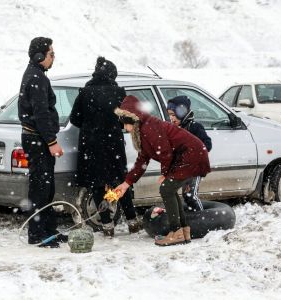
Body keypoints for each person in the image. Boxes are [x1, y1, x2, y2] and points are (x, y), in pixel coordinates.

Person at [114, 95, 211, 246]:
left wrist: (164, 173)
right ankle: (184, 231)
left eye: (125, 124)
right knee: (169, 190)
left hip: (191, 155)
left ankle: (176, 232)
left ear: (133, 118)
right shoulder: (143, 129)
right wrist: (126, 183)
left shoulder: (149, 127)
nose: (125, 128)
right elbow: (142, 161)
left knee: (166, 189)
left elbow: (164, 152)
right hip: (188, 156)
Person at [69, 57, 141, 237]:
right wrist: (112, 125)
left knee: (97, 185)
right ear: (111, 75)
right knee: (119, 182)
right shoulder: (118, 92)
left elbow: (74, 119)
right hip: (113, 145)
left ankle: (107, 225)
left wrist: (91, 125)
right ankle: (132, 220)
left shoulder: (84, 93)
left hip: (91, 146)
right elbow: (128, 117)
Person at [18, 37, 66, 248]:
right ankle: (37, 235)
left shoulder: (36, 75)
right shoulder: (37, 78)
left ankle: (49, 230)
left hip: (37, 139)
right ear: (40, 56)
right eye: (51, 54)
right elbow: (41, 114)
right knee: (40, 188)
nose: (53, 58)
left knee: (47, 187)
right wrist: (52, 141)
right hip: (37, 140)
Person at [167, 95, 212, 211]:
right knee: (186, 197)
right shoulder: (174, 130)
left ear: (182, 112)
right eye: (169, 115)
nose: (171, 118)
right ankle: (191, 218)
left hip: (195, 168)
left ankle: (203, 218)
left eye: (173, 115)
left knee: (191, 196)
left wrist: (193, 152)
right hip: (184, 169)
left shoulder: (195, 127)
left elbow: (207, 144)